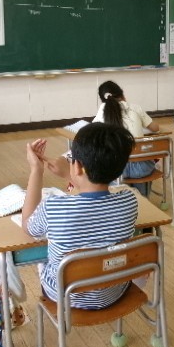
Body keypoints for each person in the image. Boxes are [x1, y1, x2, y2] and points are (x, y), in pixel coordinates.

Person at [21, 122, 138, 309]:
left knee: (43, 259)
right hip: (114, 290)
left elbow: (27, 226)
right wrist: (72, 173)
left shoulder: (53, 208)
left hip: (66, 296)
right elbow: (94, 204)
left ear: (78, 166)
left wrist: (37, 170)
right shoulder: (129, 201)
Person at [92, 80, 159, 196]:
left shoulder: (102, 110)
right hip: (142, 168)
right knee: (144, 162)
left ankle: (120, 198)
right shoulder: (135, 108)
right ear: (122, 94)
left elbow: (91, 132)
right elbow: (156, 128)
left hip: (116, 169)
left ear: (103, 100)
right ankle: (143, 199)